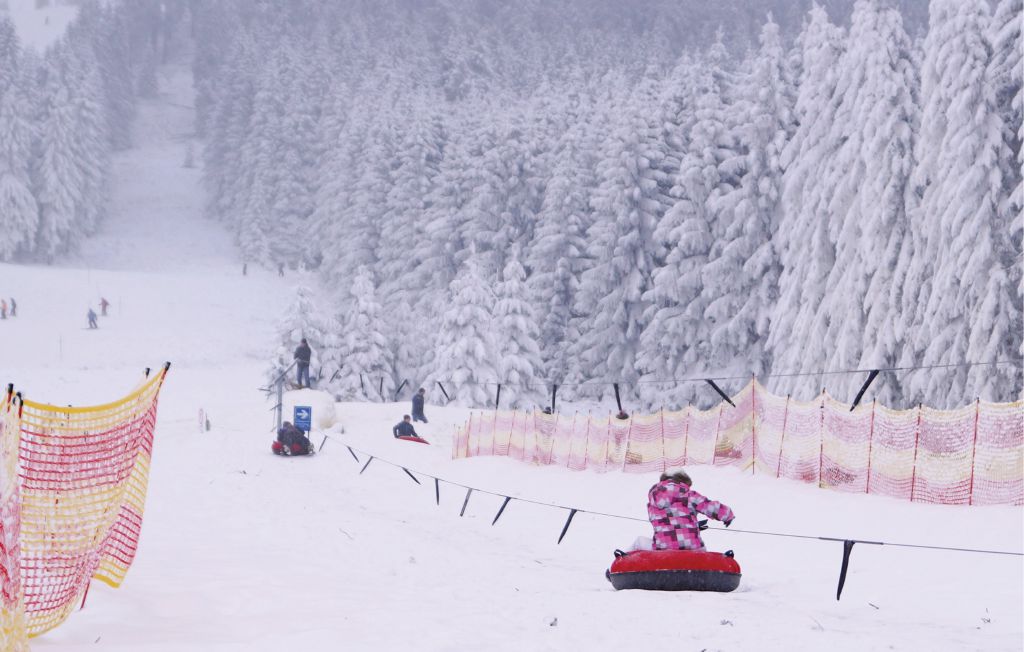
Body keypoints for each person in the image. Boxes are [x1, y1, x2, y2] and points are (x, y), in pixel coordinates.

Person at [647, 470, 734, 552]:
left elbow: (664, 521)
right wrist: (728, 515)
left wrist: (691, 525)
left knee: (639, 542)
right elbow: (711, 507)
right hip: (693, 549)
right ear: (682, 481)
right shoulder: (689, 495)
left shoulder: (653, 501)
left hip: (663, 550)